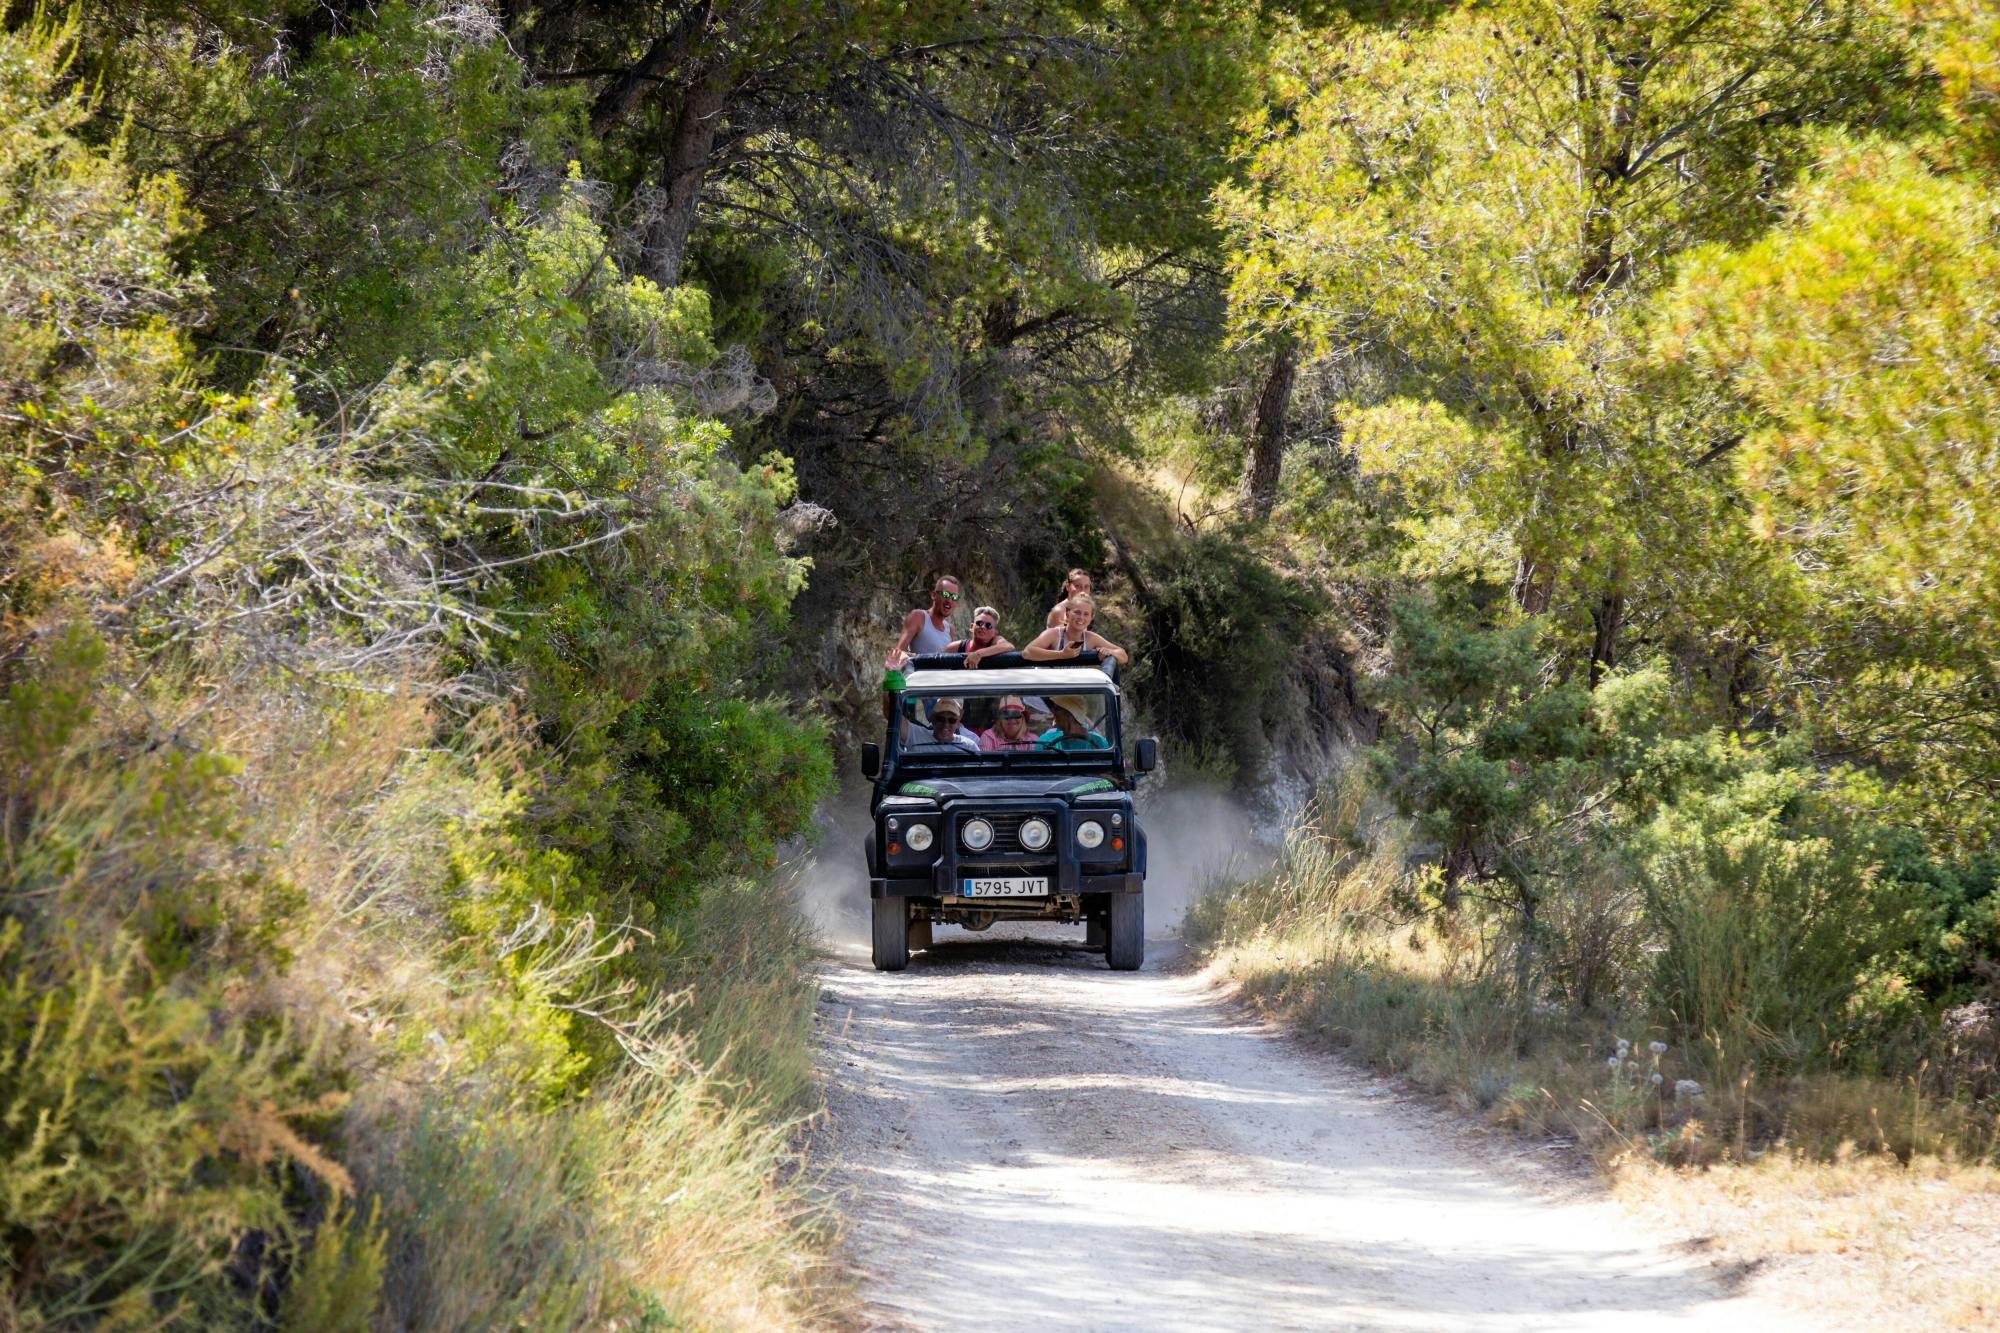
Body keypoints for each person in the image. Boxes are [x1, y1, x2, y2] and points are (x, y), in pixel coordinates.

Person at [1021, 593, 1130, 668]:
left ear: (1091, 618)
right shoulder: (1054, 634)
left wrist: (1109, 652)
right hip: (1047, 690)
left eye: (1086, 614)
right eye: (1077, 612)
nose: (1081, 618)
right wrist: (1061, 655)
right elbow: (1027, 652)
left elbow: (1123, 656)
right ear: (1068, 613)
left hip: (1073, 694)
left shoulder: (1091, 638)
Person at [886, 576, 963, 669]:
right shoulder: (918, 617)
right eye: (946, 594)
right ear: (934, 595)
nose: (949, 600)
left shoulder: (949, 629)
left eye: (954, 597)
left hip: (943, 682)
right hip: (921, 681)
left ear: (957, 603)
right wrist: (917, 657)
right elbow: (898, 652)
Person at [944, 605, 1014, 666]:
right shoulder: (955, 648)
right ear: (971, 627)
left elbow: (1008, 646)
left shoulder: (996, 641)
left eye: (988, 625)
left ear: (995, 632)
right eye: (979, 623)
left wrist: (978, 654)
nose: (983, 627)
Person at [1037, 695, 1111, 751]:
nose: (1053, 712)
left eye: (1057, 709)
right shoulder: (1045, 740)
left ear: (1070, 715)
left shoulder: (1099, 742)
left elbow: (1106, 769)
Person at [910, 696, 981, 752]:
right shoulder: (917, 735)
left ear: (960, 715)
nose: (946, 725)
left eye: (952, 720)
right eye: (940, 719)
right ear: (933, 718)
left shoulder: (970, 744)